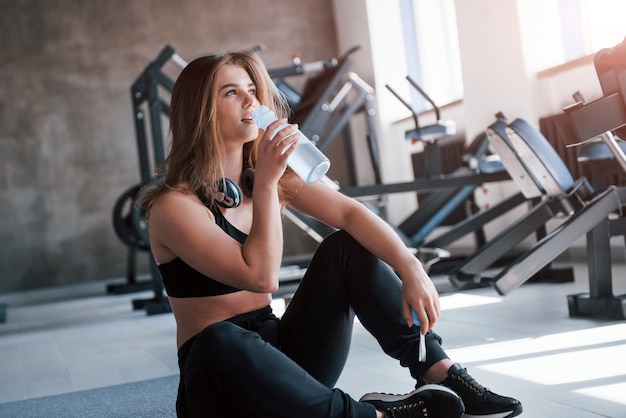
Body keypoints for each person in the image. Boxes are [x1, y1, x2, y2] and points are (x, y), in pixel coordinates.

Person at [139, 48, 523, 418]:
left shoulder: (263, 177)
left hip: (282, 357)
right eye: (231, 92)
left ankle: (438, 369)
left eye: (251, 91)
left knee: (344, 248)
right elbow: (261, 276)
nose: (248, 102)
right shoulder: (174, 206)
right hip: (220, 380)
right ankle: (371, 415)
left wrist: (411, 266)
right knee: (217, 338)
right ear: (200, 111)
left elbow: (350, 213)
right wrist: (270, 183)